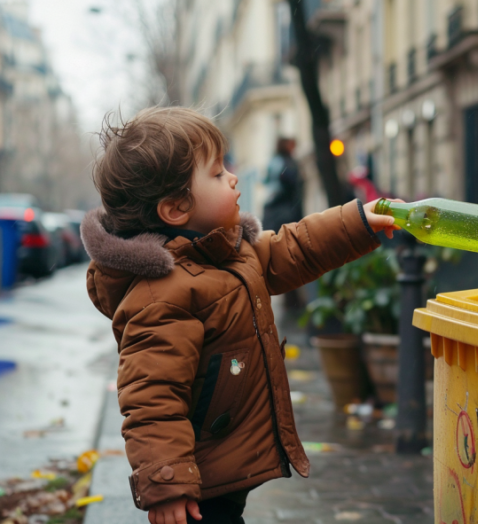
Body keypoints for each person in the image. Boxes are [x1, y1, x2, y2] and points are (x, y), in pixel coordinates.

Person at [80, 107, 398, 524]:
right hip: (196, 482)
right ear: (175, 209)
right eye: (216, 173)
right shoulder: (160, 297)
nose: (232, 176)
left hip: (225, 462)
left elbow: (293, 248)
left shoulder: (229, 254)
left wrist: (357, 222)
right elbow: (151, 400)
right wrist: (166, 484)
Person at [262, 137, 302, 234]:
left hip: (276, 209)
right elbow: (290, 181)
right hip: (285, 210)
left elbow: (266, 180)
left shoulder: (275, 161)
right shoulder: (287, 163)